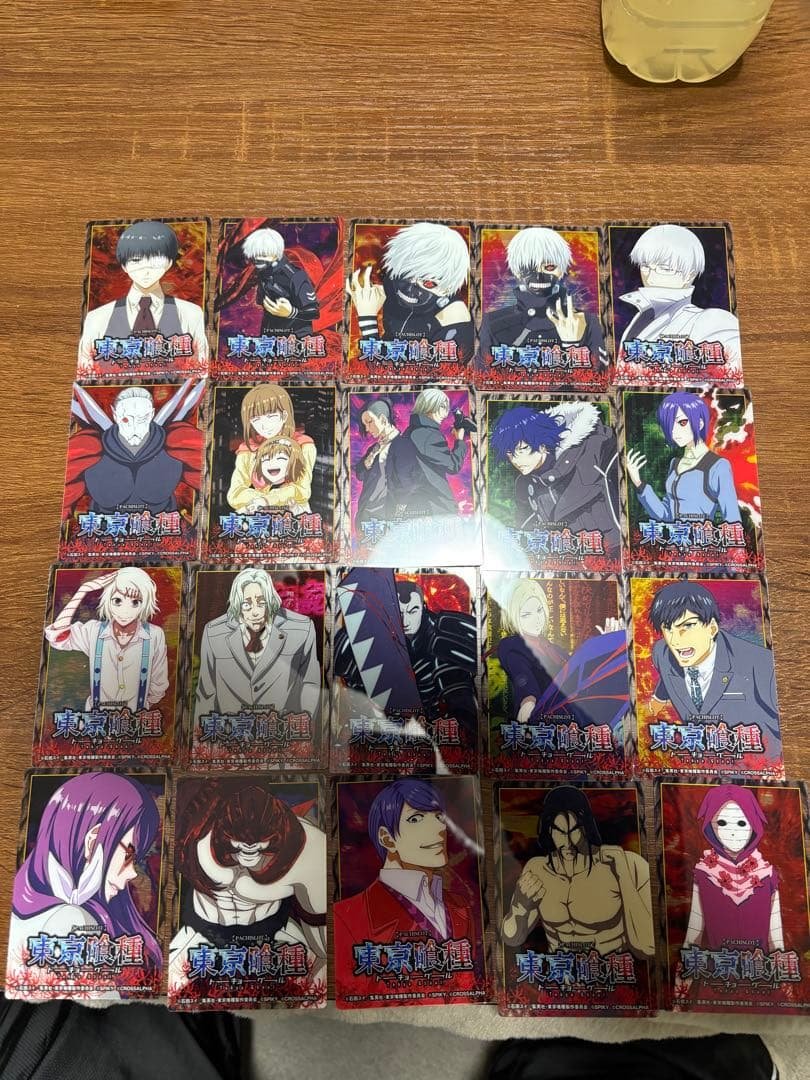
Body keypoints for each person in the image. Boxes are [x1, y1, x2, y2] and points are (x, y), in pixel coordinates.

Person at [9, 773, 162, 971]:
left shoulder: (24, 899)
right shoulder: (75, 918)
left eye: (135, 861)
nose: (133, 873)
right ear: (92, 841)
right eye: (128, 856)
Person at [171, 781, 326, 956]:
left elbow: (320, 928)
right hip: (199, 932)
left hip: (274, 931)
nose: (248, 848)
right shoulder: (198, 834)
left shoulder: (301, 841)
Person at [501, 786, 654, 959]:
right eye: (559, 832)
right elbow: (512, 938)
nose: (567, 842)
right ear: (549, 830)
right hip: (561, 972)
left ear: (585, 827)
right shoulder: (537, 870)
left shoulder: (627, 864)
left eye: (574, 830)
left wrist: (623, 874)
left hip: (609, 970)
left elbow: (647, 947)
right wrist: (520, 906)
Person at [333, 780, 473, 949]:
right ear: (387, 838)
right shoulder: (346, 916)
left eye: (439, 817)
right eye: (416, 819)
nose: (439, 827)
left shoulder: (460, 906)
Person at [648, 581, 780, 752]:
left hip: (755, 759)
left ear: (712, 628)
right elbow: (667, 672)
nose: (675, 640)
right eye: (668, 628)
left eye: (688, 625)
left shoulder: (762, 665)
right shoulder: (662, 653)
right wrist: (659, 698)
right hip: (697, 756)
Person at [194, 567, 321, 723]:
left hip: (282, 730)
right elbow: (206, 692)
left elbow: (310, 683)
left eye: (261, 603)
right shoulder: (214, 632)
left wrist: (305, 728)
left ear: (270, 601)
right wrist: (201, 734)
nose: (256, 612)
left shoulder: (302, 628)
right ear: (237, 604)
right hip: (229, 731)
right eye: (247, 605)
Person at [496, 578, 625, 730]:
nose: (536, 620)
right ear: (513, 616)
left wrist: (605, 645)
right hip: (545, 722)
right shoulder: (513, 646)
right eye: (526, 615)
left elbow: (580, 674)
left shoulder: (555, 649)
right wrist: (528, 700)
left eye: (539, 610)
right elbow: (521, 674)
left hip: (574, 720)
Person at [490, 401, 620, 551]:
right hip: (563, 558)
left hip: (610, 553)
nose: (516, 460)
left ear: (542, 444)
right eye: (510, 453)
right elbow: (526, 533)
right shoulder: (524, 485)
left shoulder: (595, 451)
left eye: (523, 449)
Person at [79, 219, 208, 367]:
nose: (146, 269)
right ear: (124, 265)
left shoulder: (191, 314)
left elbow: (200, 369)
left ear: (169, 263)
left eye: (155, 259)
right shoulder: (97, 318)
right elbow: (85, 371)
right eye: (136, 260)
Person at [65, 383, 204, 518]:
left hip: (163, 529)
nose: (134, 429)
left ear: (151, 414)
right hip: (105, 529)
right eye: (126, 420)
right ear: (115, 415)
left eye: (141, 419)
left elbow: (207, 484)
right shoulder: (90, 450)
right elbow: (64, 500)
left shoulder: (176, 446)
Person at [44, 567, 168, 714]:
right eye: (117, 601)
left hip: (136, 720)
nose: (125, 611)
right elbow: (57, 637)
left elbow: (158, 683)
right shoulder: (93, 631)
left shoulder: (154, 635)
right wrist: (83, 590)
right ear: (107, 600)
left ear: (145, 603)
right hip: (96, 719)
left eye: (135, 602)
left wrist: (144, 704)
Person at [347, 221, 473, 359]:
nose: (410, 288)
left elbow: (383, 367)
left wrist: (367, 318)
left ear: (446, 288)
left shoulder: (454, 321)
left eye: (428, 283)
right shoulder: (392, 281)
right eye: (406, 274)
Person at [479, 226, 606, 363]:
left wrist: (573, 345)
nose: (539, 277)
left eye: (549, 267)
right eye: (529, 268)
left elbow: (600, 374)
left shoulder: (586, 321)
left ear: (561, 270)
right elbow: (482, 373)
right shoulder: (492, 322)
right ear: (517, 271)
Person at [617, 223, 741, 363]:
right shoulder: (641, 316)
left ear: (689, 275)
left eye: (665, 268)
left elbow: (731, 359)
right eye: (645, 266)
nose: (650, 277)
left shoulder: (711, 320)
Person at [683, 785, 782, 953]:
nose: (733, 832)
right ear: (710, 826)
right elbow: (695, 926)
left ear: (753, 825)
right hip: (719, 964)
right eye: (722, 823)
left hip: (758, 965)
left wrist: (780, 963)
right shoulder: (703, 873)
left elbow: (775, 933)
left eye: (742, 823)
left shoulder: (767, 874)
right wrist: (686, 961)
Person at [626, 391, 741, 524]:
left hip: (701, 535)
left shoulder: (718, 466)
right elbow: (665, 515)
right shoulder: (674, 464)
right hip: (674, 534)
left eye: (682, 422)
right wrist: (639, 483)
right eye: (670, 425)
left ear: (700, 423)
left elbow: (733, 519)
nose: (674, 431)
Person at [226, 384, 316, 512]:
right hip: (255, 510)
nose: (264, 425)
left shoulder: (303, 445)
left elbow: (302, 490)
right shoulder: (247, 450)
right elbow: (234, 494)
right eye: (256, 419)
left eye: (271, 417)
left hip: (292, 511)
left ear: (284, 416)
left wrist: (269, 500)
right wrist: (262, 500)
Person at [393, 387, 469, 519]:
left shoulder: (411, 432)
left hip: (420, 506)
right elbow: (453, 465)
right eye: (443, 407)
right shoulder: (427, 434)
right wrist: (459, 440)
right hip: (435, 507)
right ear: (430, 406)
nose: (445, 414)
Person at [242, 227, 320, 338]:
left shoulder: (296, 276)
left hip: (296, 338)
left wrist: (291, 312)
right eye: (255, 255)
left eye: (263, 255)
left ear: (275, 254)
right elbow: (262, 302)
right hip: (269, 337)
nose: (258, 259)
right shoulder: (263, 272)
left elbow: (313, 312)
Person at [353, 398, 411, 528]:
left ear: (383, 419)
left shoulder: (402, 445)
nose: (367, 428)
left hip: (389, 519)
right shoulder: (374, 448)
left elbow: (407, 485)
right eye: (365, 424)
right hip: (367, 517)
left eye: (369, 422)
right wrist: (368, 461)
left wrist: (398, 516)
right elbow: (359, 474)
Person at [246, 436, 311, 515]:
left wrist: (265, 501)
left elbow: (305, 515)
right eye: (266, 460)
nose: (272, 464)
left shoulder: (294, 490)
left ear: (293, 463)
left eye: (280, 459)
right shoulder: (261, 490)